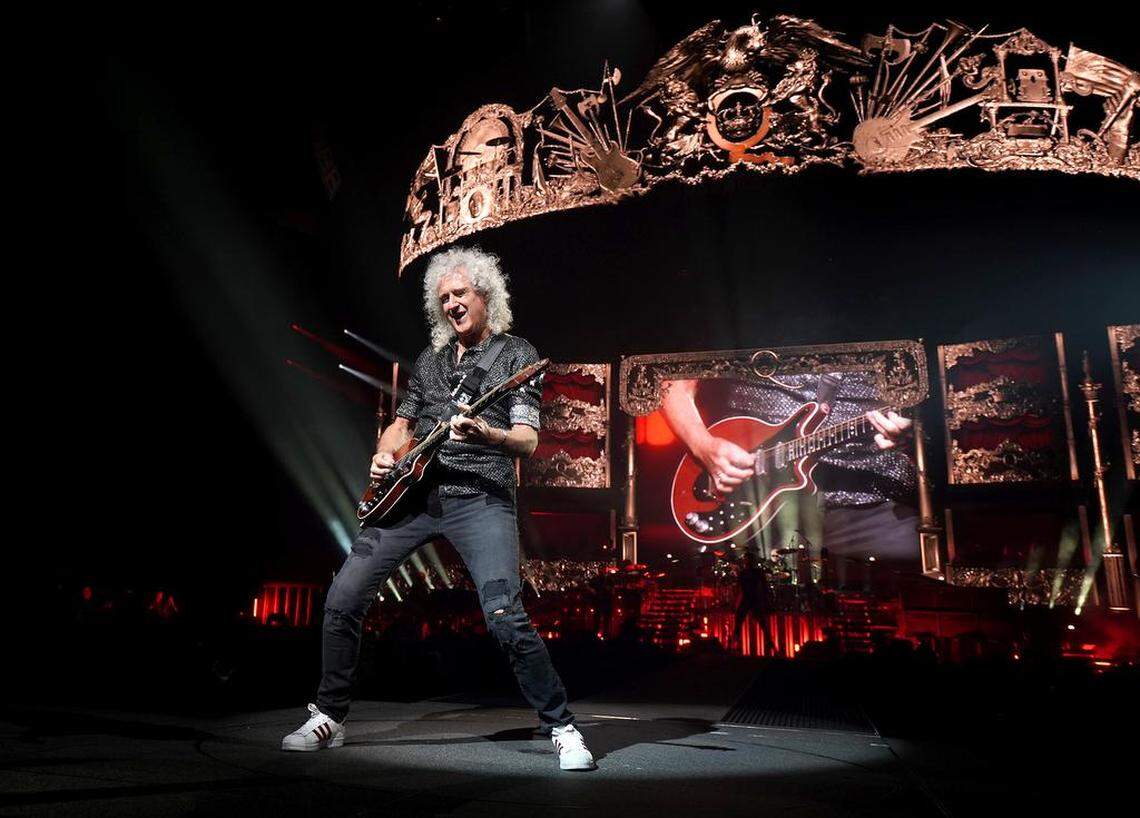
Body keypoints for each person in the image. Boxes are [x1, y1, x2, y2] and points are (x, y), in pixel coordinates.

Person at [282, 246, 595, 771]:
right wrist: (385, 453)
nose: (452, 303)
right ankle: (329, 715)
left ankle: (562, 726)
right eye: (443, 297)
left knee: (503, 616)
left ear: (485, 296)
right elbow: (403, 424)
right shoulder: (428, 362)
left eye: (461, 293)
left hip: (480, 497)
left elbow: (527, 440)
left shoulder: (516, 356)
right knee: (342, 598)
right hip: (414, 498)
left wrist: (487, 432)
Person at [660, 374, 918, 590]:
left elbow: (932, 392)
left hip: (873, 499)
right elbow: (669, 376)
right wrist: (702, 445)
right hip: (752, 507)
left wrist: (915, 426)